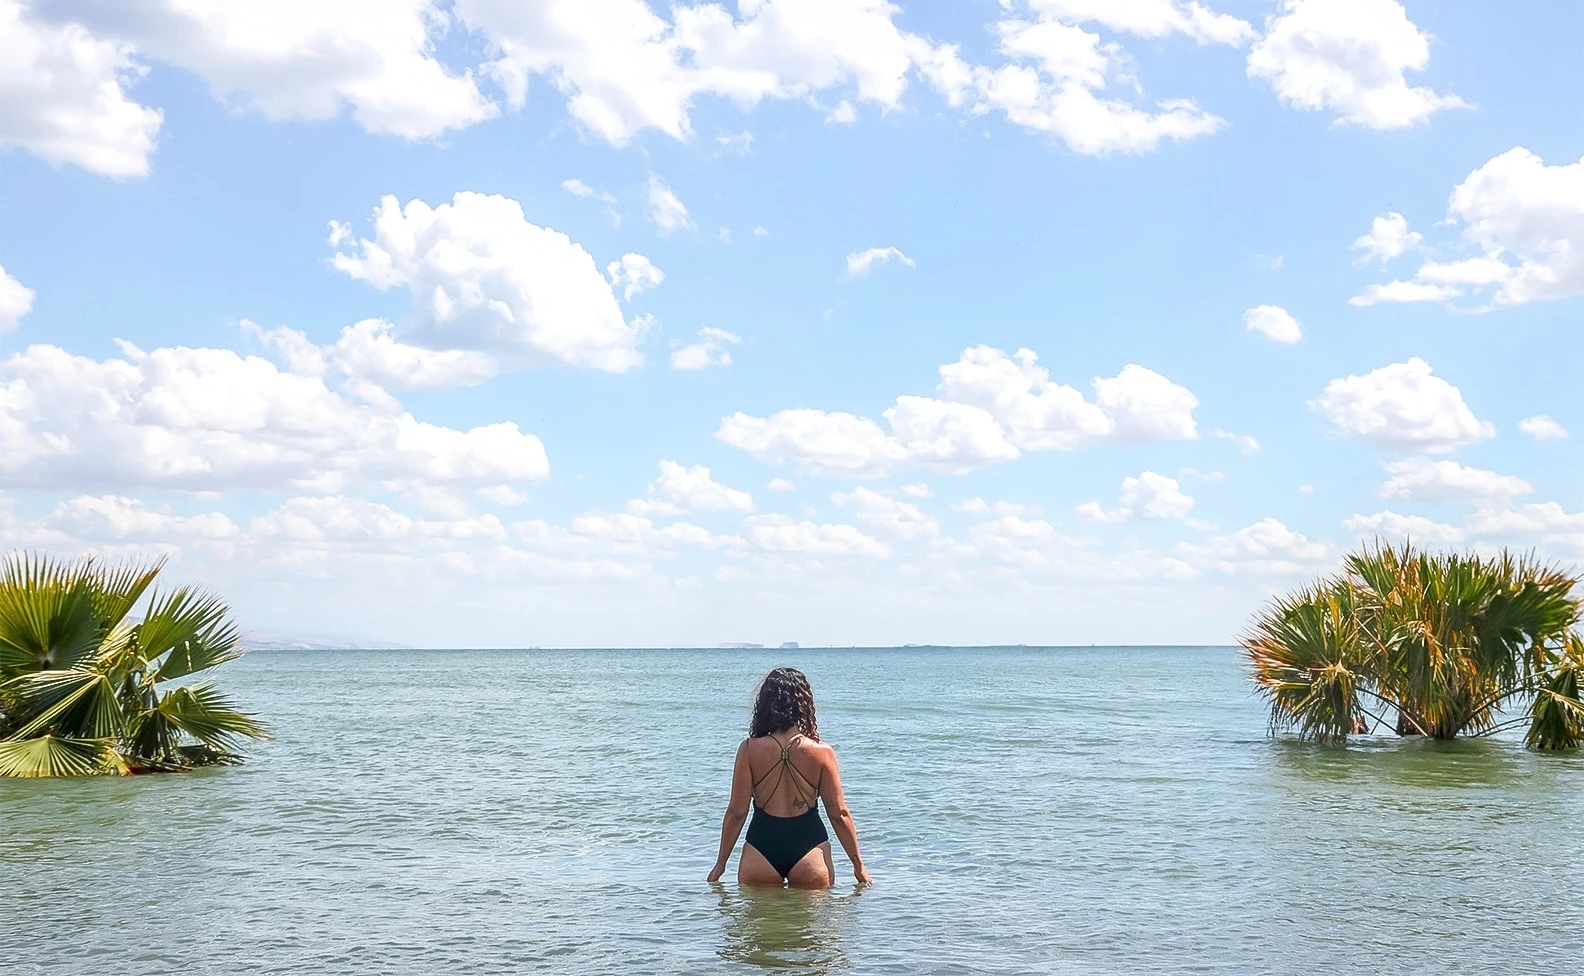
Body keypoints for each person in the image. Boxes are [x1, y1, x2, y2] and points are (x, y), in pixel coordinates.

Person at [707, 667, 872, 888]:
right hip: (810, 850)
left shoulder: (748, 750)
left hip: (759, 850)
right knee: (812, 912)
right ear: (804, 704)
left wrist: (721, 864)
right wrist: (858, 866)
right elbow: (839, 813)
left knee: (761, 912)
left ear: (765, 705)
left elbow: (737, 813)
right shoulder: (822, 752)